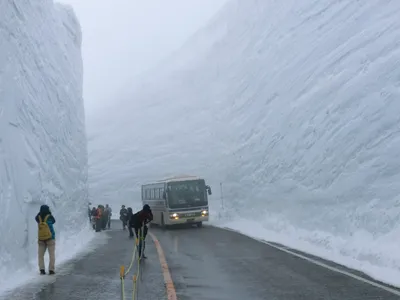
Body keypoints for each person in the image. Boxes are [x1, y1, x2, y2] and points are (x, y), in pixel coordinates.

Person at [35, 205, 56, 275]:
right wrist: (49, 213)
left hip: (41, 239)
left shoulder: (39, 218)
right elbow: (54, 221)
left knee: (40, 255)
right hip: (50, 238)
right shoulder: (49, 217)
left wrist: (40, 213)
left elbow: (35, 218)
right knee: (51, 255)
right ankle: (51, 270)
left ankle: (42, 269)